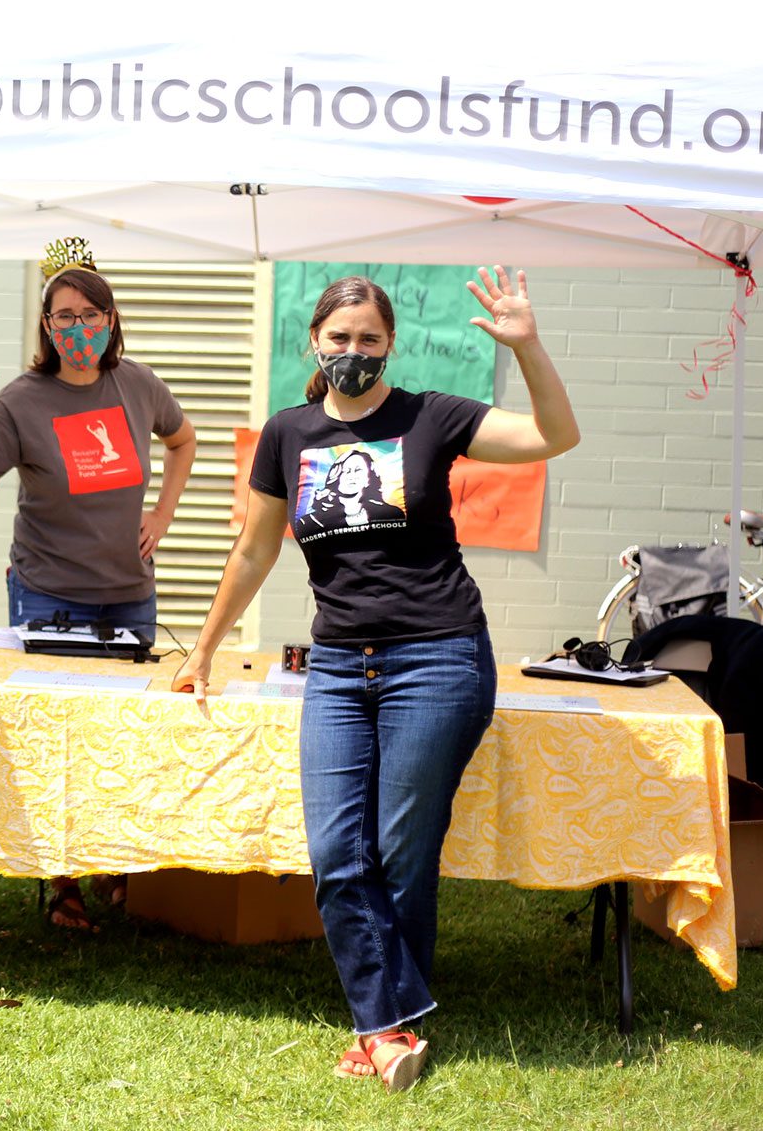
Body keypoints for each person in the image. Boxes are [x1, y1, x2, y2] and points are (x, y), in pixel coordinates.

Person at [171, 268, 580, 1094]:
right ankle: (393, 1021)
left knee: (400, 850)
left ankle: (383, 1032)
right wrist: (203, 649)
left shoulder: (432, 416)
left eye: (368, 339)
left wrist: (528, 345)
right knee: (334, 851)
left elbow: (554, 434)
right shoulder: (288, 434)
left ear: (389, 344)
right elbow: (254, 549)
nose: (353, 351)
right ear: (314, 343)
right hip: (336, 666)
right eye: (339, 338)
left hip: (438, 657)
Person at [0, 236, 197, 931]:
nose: (77, 327)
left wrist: (163, 514)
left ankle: (117, 866)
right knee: (56, 739)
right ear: (46, 327)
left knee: (125, 737)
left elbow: (183, 439)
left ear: (110, 320)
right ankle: (64, 881)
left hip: (129, 592)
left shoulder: (137, 384)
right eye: (64, 316)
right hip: (49, 594)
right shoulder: (22, 402)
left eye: (89, 314)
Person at [297, 447, 407, 535]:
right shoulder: (310, 521)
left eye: (358, 470)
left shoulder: (392, 513)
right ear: (335, 477)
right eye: (346, 471)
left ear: (369, 477)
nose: (351, 476)